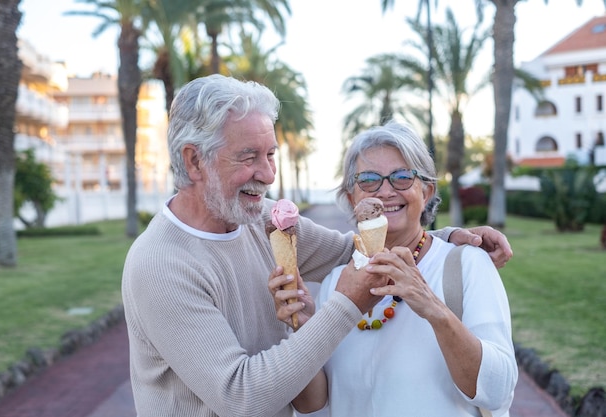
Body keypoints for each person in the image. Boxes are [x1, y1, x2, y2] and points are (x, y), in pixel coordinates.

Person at [121, 74, 514, 417]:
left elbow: (354, 251)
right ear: (194, 162)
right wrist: (345, 305)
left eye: (271, 154)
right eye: (249, 157)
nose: (268, 174)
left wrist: (442, 242)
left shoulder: (264, 219)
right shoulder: (161, 264)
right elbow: (241, 398)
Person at [270, 121, 517, 416]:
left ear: (426, 192)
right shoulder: (337, 280)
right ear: (352, 198)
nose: (386, 191)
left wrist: (431, 306)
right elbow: (314, 405)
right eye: (369, 179)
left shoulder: (466, 264)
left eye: (402, 177)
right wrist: (304, 331)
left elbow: (499, 391)